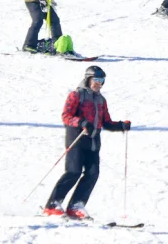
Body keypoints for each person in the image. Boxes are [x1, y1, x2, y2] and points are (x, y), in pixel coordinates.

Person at [43, 66, 130, 220]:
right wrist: (81, 121)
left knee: (92, 173)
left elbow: (106, 122)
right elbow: (66, 116)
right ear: (88, 79)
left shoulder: (101, 100)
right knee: (73, 171)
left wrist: (121, 125)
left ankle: (76, 205)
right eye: (96, 79)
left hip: (93, 141)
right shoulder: (76, 95)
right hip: (77, 138)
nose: (99, 83)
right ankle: (52, 204)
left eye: (102, 80)